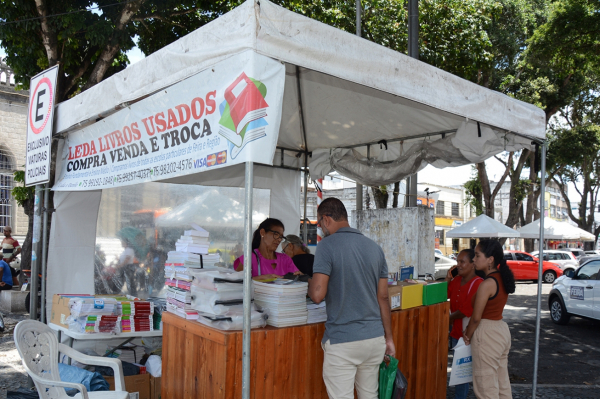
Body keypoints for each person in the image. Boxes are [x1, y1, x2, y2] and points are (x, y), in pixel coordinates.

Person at [308, 198, 394, 399]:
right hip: (374, 339)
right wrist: (388, 338)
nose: (320, 228)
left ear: (326, 219)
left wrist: (310, 282)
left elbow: (318, 295)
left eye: (319, 224)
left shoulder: (327, 246)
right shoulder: (375, 248)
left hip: (343, 341)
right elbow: (383, 297)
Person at [464, 239, 516, 399]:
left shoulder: (487, 284)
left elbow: (476, 318)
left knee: (486, 388)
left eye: (477, 255)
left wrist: (467, 334)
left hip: (486, 334)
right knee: (502, 385)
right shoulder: (501, 278)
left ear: (490, 259)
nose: (474, 259)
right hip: (501, 330)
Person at [444, 249, 483, 399]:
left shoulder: (478, 283)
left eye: (462, 262)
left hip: (470, 335)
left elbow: (466, 310)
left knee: (465, 375)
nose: (458, 265)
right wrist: (448, 279)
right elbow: (442, 296)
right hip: (456, 334)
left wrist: (446, 319)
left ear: (473, 264)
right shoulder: (456, 281)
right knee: (460, 374)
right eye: (457, 262)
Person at [234, 218, 299, 280]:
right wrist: (257, 279)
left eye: (281, 237)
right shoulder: (249, 258)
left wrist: (299, 276)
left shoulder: (285, 259)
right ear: (262, 232)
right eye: (276, 234)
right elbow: (237, 283)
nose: (279, 239)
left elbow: (296, 280)